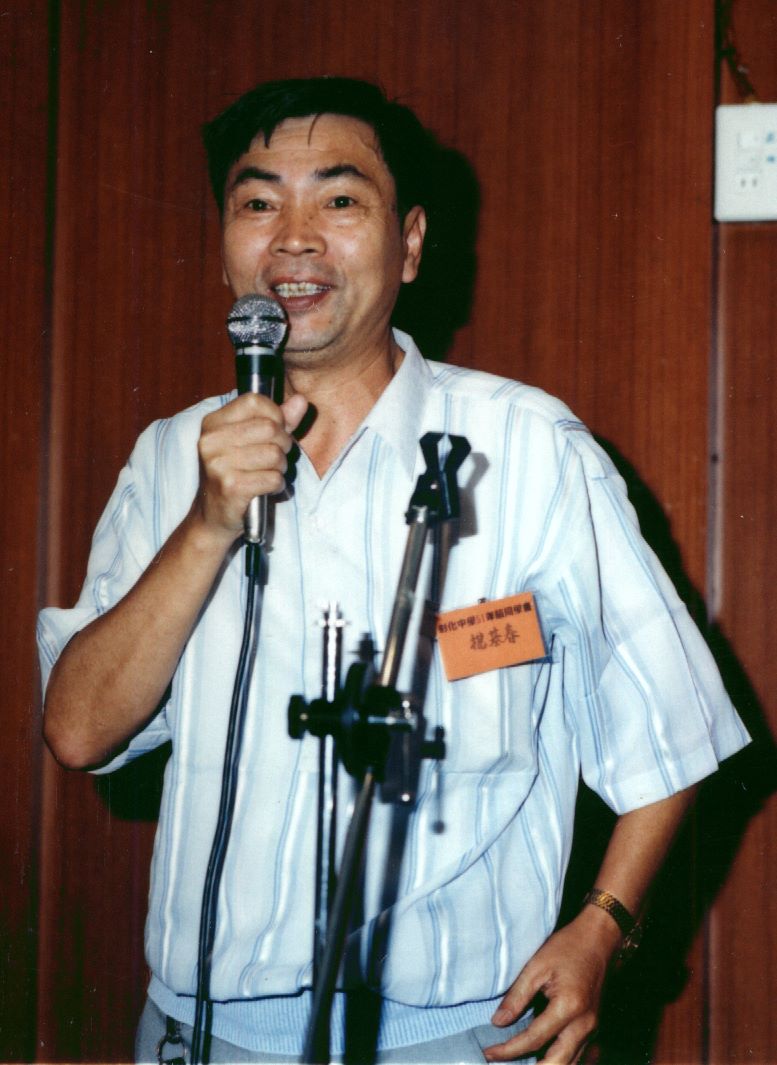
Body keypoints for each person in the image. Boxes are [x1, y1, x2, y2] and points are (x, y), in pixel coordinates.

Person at [38, 77, 749, 1065]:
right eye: (257, 203)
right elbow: (78, 730)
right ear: (225, 242)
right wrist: (205, 525)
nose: (293, 239)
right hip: (202, 1033)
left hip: (458, 1034)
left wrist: (603, 930)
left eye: (339, 199)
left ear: (409, 244)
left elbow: (671, 730)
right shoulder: (171, 457)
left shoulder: (525, 447)